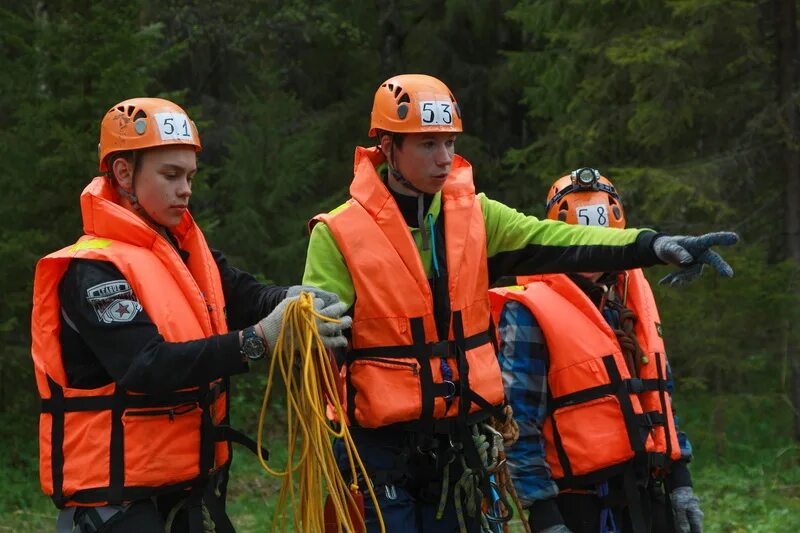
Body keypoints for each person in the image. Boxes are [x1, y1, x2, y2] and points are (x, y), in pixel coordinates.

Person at [301, 74, 731, 532]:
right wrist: (309, 327)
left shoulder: (476, 216)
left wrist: (652, 245)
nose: (444, 158)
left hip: (459, 449)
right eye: (428, 144)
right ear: (388, 147)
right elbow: (310, 352)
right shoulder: (338, 233)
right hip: (377, 451)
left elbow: (561, 240)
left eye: (449, 143)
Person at [31, 97, 350, 533]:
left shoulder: (181, 252)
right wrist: (257, 340)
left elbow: (243, 293)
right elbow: (147, 365)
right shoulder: (93, 270)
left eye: (190, 177)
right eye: (171, 175)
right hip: (116, 503)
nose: (186, 189)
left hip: (185, 492)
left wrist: (291, 300)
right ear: (123, 173)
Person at [488, 169, 705, 533]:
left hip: (648, 493)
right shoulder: (529, 310)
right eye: (584, 240)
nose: (597, 251)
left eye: (606, 239)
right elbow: (518, 425)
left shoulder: (630, 300)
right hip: (580, 506)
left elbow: (660, 397)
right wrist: (542, 515)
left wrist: (680, 482)